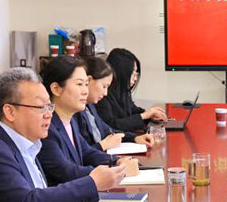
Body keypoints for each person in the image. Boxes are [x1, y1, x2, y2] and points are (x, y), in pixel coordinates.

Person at [0, 67, 126, 202]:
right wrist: (92, 183)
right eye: (40, 107)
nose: (48, 115)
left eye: (49, 106)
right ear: (10, 112)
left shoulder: (29, 142)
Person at [37, 56, 139, 185]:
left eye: (86, 84)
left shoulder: (70, 121)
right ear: (56, 89)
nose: (85, 91)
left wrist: (116, 161)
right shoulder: (46, 126)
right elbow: (66, 172)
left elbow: (86, 152)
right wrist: (115, 170)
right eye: (79, 84)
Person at [77, 55, 154, 151]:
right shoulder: (76, 111)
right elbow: (81, 153)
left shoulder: (90, 105)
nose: (105, 93)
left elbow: (106, 129)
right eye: (104, 86)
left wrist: (134, 138)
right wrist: (103, 145)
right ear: (89, 81)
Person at [96, 48, 166, 133]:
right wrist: (144, 115)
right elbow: (111, 125)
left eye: (136, 73)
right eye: (133, 73)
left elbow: (132, 110)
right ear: (122, 72)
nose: (135, 78)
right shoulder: (102, 95)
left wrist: (150, 115)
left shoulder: (122, 91)